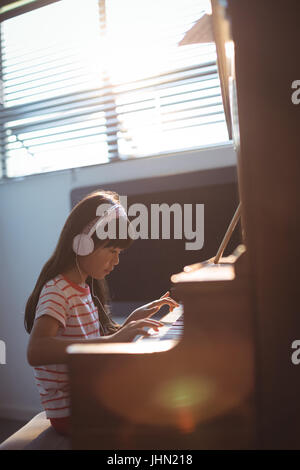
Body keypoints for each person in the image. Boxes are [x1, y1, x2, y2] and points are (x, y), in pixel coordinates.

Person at [24, 189, 179, 436]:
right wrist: (113, 340)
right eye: (112, 250)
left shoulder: (82, 289)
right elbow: (36, 351)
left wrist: (131, 321)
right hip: (72, 409)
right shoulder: (57, 291)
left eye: (119, 253)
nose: (116, 261)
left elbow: (90, 344)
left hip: (85, 398)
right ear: (83, 243)